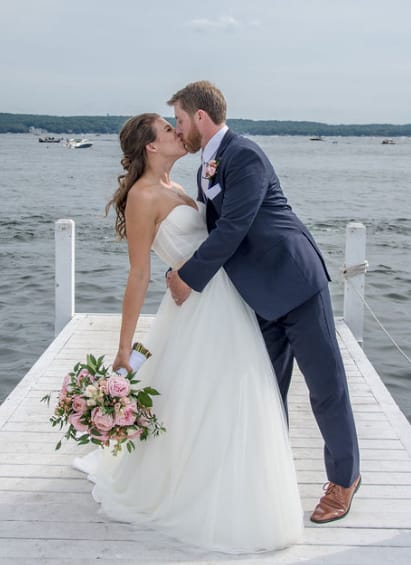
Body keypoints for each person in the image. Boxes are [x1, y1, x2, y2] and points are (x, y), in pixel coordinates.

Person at [73, 112, 303, 554]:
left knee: (234, 391)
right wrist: (124, 346)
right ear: (151, 146)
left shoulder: (180, 185)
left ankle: (236, 481)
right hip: (197, 307)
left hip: (227, 299)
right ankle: (198, 488)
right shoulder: (142, 197)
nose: (178, 132)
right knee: (207, 393)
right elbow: (139, 274)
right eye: (167, 129)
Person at [166, 80, 361, 524]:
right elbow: (210, 228)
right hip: (256, 295)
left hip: (295, 282)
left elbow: (233, 227)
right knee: (267, 392)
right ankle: (269, 481)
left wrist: (189, 279)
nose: (177, 129)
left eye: (179, 120)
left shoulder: (244, 155)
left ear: (200, 116)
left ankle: (344, 479)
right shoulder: (206, 167)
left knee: (326, 387)